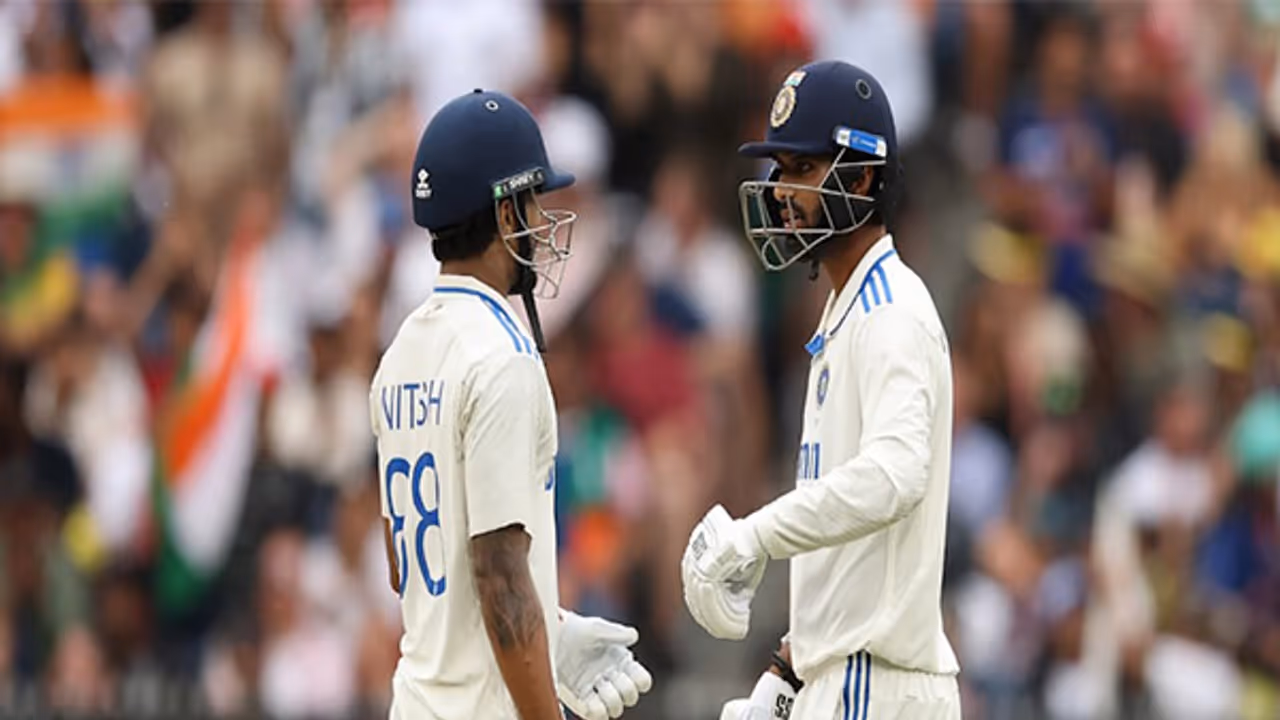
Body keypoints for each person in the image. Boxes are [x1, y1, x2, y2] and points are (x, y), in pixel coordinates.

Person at [680, 61, 962, 719]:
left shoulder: (891, 312)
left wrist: (755, 536)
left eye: (803, 169)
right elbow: (852, 548)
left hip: (875, 683)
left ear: (862, 177)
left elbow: (895, 476)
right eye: (780, 169)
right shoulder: (848, 312)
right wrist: (787, 671)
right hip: (848, 678)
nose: (781, 192)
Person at [369, 89, 653, 720]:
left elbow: (404, 564)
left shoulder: (401, 353)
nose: (541, 220)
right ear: (503, 215)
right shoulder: (502, 357)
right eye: (533, 202)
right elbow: (498, 575)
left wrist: (547, 621)